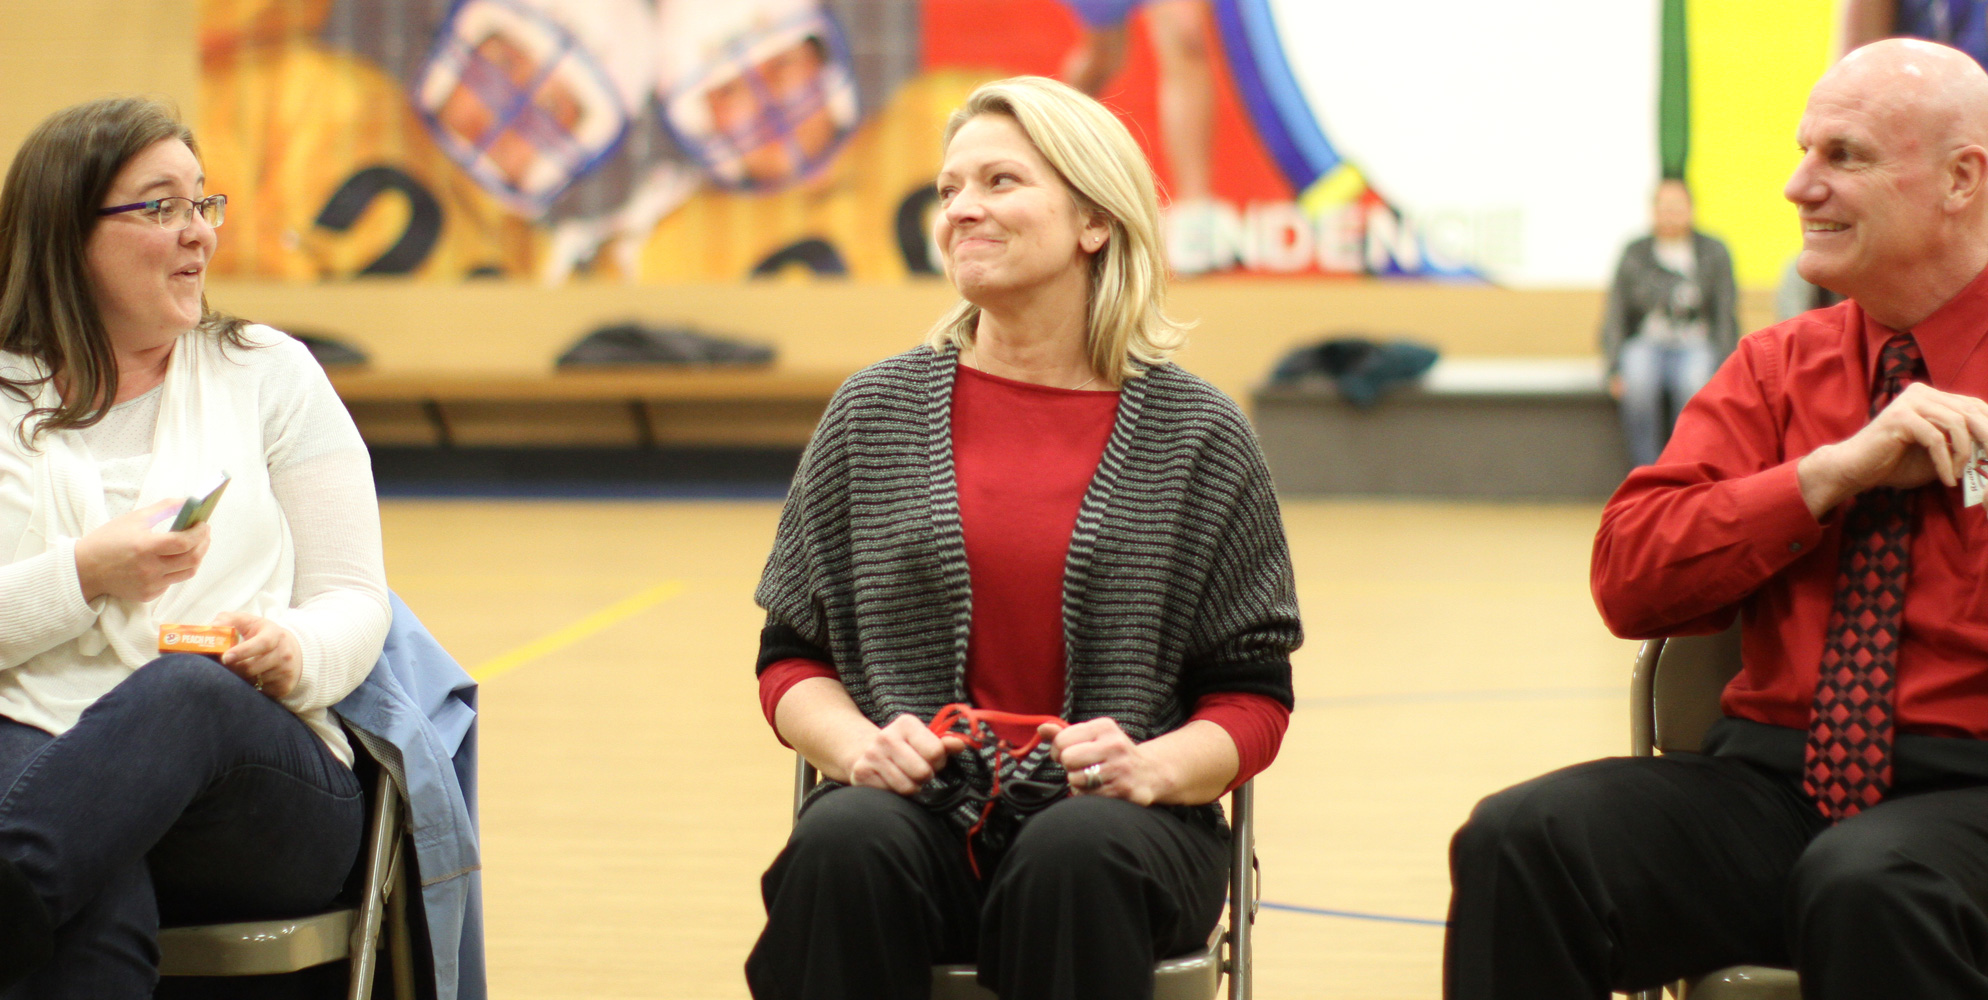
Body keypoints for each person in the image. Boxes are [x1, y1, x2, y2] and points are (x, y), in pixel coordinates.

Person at [1447, 39, 1988, 998]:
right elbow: (1628, 577)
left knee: (1869, 880)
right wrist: (1822, 478)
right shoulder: (1778, 371)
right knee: (1522, 841)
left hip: (1964, 801)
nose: (1797, 186)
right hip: (1778, 791)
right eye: (1801, 150)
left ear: (1961, 179)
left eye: (1843, 156)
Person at [743, 75, 1299, 1000]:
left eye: (1000, 182)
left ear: (1093, 221)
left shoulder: (1200, 434)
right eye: (951, 188)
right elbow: (790, 658)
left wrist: (1154, 766)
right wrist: (852, 749)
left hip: (1122, 838)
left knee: (1073, 854)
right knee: (842, 843)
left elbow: (1253, 696)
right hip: (917, 823)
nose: (962, 209)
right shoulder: (872, 413)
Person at [0, 97, 389, 995]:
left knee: (184, 690)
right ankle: (20, 887)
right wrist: (85, 575)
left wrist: (293, 650)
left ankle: (9, 884)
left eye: (201, 205)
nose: (197, 235)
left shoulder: (270, 373)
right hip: (49, 767)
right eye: (160, 207)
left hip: (253, 792)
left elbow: (355, 600)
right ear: (66, 231)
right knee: (93, 893)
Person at [1599, 178, 1739, 467]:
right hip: (1646, 343)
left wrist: (1728, 366)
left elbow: (1726, 313)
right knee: (1637, 381)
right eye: (1664, 207)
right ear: (1652, 211)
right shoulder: (1634, 253)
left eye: (1678, 206)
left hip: (1697, 344)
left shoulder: (1714, 251)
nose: (1671, 213)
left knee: (1695, 385)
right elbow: (1616, 310)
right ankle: (1645, 473)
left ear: (1692, 209)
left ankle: (1684, 470)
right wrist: (1613, 365)